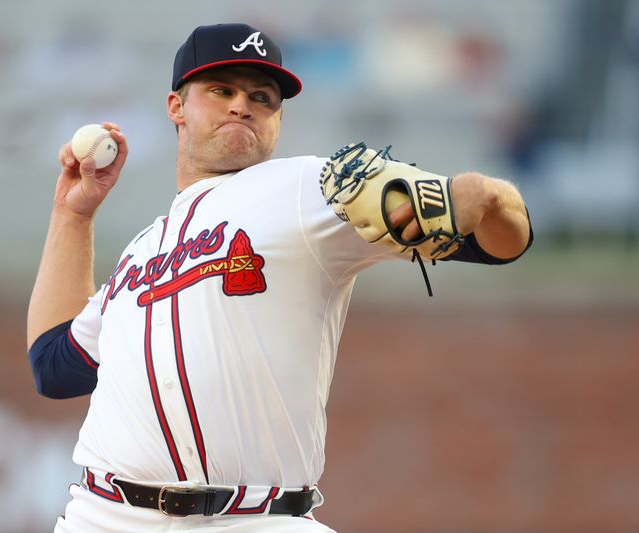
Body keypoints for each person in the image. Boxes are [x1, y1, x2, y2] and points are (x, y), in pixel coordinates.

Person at [27, 23, 532, 533]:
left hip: (259, 519)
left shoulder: (305, 189)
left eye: (262, 97)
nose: (241, 105)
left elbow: (501, 244)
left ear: (278, 119)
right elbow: (54, 366)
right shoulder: (141, 253)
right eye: (221, 90)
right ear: (176, 107)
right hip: (107, 516)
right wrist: (72, 216)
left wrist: (485, 197)